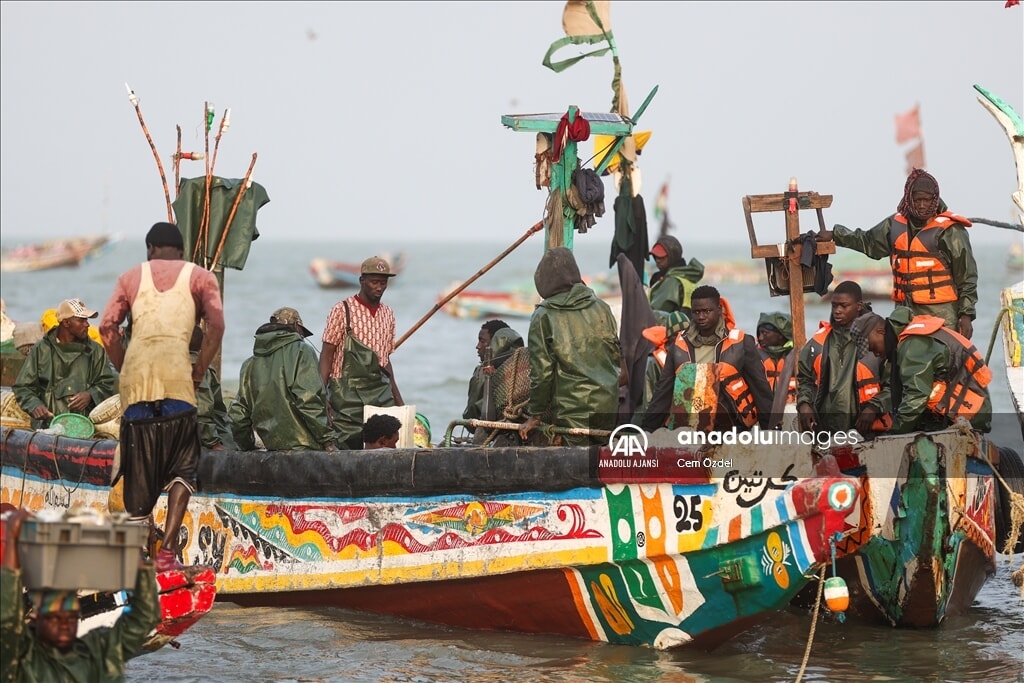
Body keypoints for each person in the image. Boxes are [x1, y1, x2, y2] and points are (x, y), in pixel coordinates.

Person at [99, 222, 224, 573]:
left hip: (137, 390)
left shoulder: (129, 278)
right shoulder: (201, 278)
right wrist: (198, 372)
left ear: (150, 249)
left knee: (139, 475)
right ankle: (167, 551)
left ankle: (138, 560)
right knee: (184, 469)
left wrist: (124, 367)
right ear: (182, 253)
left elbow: (107, 327)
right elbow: (216, 326)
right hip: (178, 387)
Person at [1, 509, 160, 683]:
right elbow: (8, 617)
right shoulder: (18, 657)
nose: (64, 625)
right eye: (55, 618)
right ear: (35, 618)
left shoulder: (95, 651)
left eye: (70, 618)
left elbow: (143, 619)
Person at [817, 169, 977, 338]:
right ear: (908, 199)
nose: (922, 205)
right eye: (917, 200)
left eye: (927, 200)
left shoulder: (952, 232)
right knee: (900, 358)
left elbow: (967, 278)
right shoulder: (895, 225)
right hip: (904, 314)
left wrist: (966, 315)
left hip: (943, 316)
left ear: (935, 199)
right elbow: (868, 241)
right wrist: (835, 235)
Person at [518, 247, 622, 446]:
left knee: (573, 467)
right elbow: (614, 356)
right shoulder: (602, 307)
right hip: (607, 406)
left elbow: (542, 373)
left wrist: (535, 415)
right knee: (597, 464)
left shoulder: (543, 315)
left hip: (571, 413)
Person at [642, 286, 773, 433]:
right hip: (690, 429)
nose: (701, 317)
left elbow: (761, 390)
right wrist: (647, 431)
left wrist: (772, 430)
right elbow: (662, 393)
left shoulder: (741, 343)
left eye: (707, 311)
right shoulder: (678, 346)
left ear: (719, 309)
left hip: (734, 428)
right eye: (696, 312)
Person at [855, 309, 992, 433]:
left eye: (872, 347)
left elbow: (916, 396)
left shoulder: (912, 346)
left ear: (881, 331)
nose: (875, 354)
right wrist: (875, 406)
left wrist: (894, 432)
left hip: (969, 413)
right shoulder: (907, 333)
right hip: (969, 405)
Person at [320, 256, 404, 450]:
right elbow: (326, 354)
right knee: (347, 442)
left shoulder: (388, 313)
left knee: (384, 443)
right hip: (346, 392)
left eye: (383, 283)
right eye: (374, 282)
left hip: (380, 390)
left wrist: (398, 398)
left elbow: (385, 359)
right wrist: (322, 393)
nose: (379, 287)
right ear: (361, 281)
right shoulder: (342, 310)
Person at [230, 307, 337, 451]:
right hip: (307, 448)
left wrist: (247, 446)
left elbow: (238, 415)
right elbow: (308, 400)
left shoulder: (249, 364)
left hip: (272, 449)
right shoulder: (302, 351)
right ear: (296, 327)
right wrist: (327, 441)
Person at [796, 281, 890, 436]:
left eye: (843, 306)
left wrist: (873, 407)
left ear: (858, 306)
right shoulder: (818, 342)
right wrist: (804, 403)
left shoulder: (877, 338)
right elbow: (805, 379)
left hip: (868, 428)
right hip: (825, 430)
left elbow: (893, 385)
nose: (837, 311)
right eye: (834, 306)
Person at [13, 298, 118, 427]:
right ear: (67, 323)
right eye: (81, 320)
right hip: (48, 425)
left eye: (87, 320)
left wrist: (90, 394)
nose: (87, 325)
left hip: (85, 425)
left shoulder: (96, 350)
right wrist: (35, 405)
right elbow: (23, 387)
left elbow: (106, 384)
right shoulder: (41, 349)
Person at [630, 311, 688, 424]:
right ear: (670, 339)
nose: (683, 341)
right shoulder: (654, 361)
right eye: (678, 336)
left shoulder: (696, 353)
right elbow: (650, 400)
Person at [190, 325, 232, 450]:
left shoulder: (166, 367)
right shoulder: (203, 370)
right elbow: (204, 410)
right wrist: (213, 442)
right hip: (197, 439)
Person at [463, 319, 511, 421]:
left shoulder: (483, 373)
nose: (478, 346)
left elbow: (471, 413)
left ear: (497, 343)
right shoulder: (524, 366)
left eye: (482, 341)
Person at [647, 235, 705, 317]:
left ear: (672, 257)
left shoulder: (671, 282)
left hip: (669, 328)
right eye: (655, 256)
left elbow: (655, 314)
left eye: (661, 256)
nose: (657, 260)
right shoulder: (689, 278)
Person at [756, 311, 798, 407]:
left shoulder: (798, 355)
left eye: (765, 333)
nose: (760, 338)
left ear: (781, 335)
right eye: (759, 333)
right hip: (765, 407)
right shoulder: (754, 355)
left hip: (792, 406)